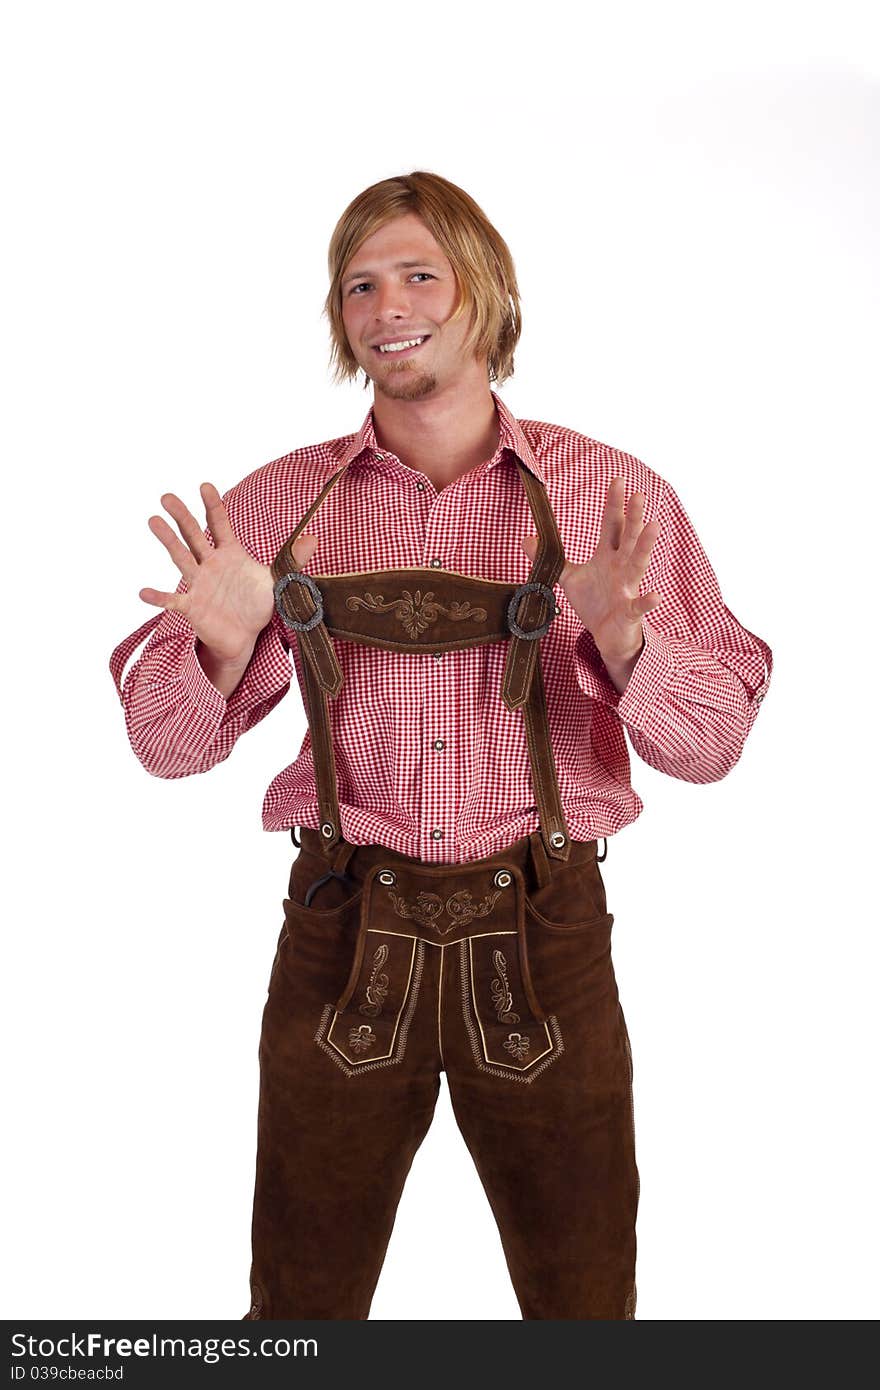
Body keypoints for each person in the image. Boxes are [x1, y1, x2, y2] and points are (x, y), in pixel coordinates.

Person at [110, 171, 772, 1321]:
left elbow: (713, 743)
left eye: (419, 273)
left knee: (583, 1306)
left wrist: (625, 638)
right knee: (300, 1311)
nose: (386, 304)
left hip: (546, 930)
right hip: (340, 930)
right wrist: (220, 649)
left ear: (487, 294)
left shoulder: (609, 495)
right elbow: (163, 749)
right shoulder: (282, 505)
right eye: (359, 283)